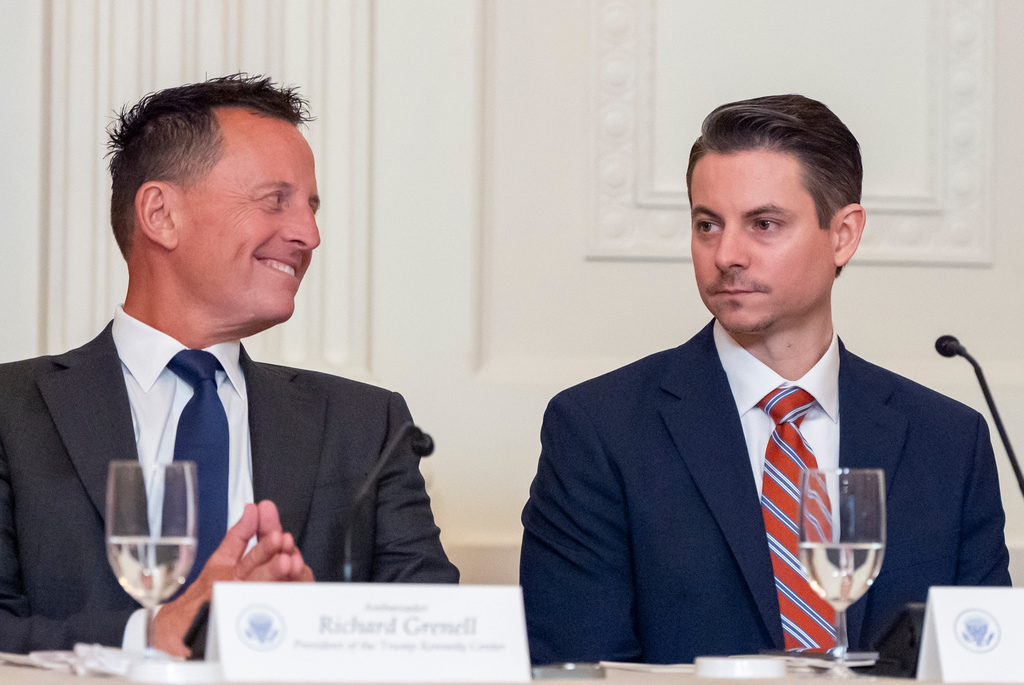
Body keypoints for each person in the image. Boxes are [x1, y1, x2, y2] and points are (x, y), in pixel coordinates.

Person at [519, 94, 1011, 665]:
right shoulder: (598, 430)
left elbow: (983, 660)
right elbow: (579, 667)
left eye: (765, 224)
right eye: (708, 225)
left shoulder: (949, 440)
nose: (726, 253)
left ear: (843, 235)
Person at [0, 74, 458, 657]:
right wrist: (149, 635)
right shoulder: (10, 411)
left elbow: (441, 634)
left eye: (312, 208)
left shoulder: (369, 425)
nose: (309, 234)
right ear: (161, 213)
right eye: (276, 200)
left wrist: (325, 628)